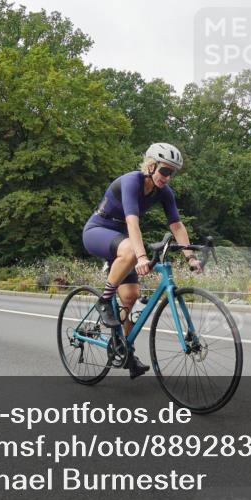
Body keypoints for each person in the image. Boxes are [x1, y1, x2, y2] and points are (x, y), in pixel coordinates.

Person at [83, 143, 201, 379]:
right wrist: (142, 256)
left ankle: (125, 350)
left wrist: (190, 256)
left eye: (172, 173)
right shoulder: (131, 181)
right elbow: (132, 223)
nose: (167, 178)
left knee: (130, 296)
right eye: (164, 171)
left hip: (122, 239)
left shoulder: (165, 193)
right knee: (130, 251)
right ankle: (104, 301)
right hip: (97, 230)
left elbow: (176, 225)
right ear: (150, 165)